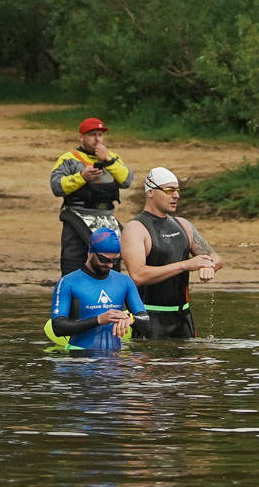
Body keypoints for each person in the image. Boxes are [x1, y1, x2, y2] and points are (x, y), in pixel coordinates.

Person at [121, 167, 221, 339]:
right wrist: (185, 265)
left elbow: (216, 258)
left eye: (177, 190)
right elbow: (137, 275)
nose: (176, 195)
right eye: (169, 190)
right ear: (150, 192)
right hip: (149, 318)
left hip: (184, 319)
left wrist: (208, 265)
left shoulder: (183, 225)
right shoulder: (136, 228)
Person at [48, 116, 132, 275]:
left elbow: (127, 180)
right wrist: (82, 177)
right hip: (77, 216)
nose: (97, 139)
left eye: (100, 135)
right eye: (92, 135)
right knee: (74, 265)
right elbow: (56, 186)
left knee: (111, 263)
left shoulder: (111, 157)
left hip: (106, 217)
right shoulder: (69, 159)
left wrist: (108, 160)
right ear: (81, 137)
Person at [47, 225, 146, 355]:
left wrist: (130, 319)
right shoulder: (68, 282)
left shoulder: (125, 281)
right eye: (104, 259)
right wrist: (98, 320)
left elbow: (145, 321)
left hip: (114, 360)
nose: (110, 265)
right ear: (90, 253)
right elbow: (58, 327)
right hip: (79, 358)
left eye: (115, 260)